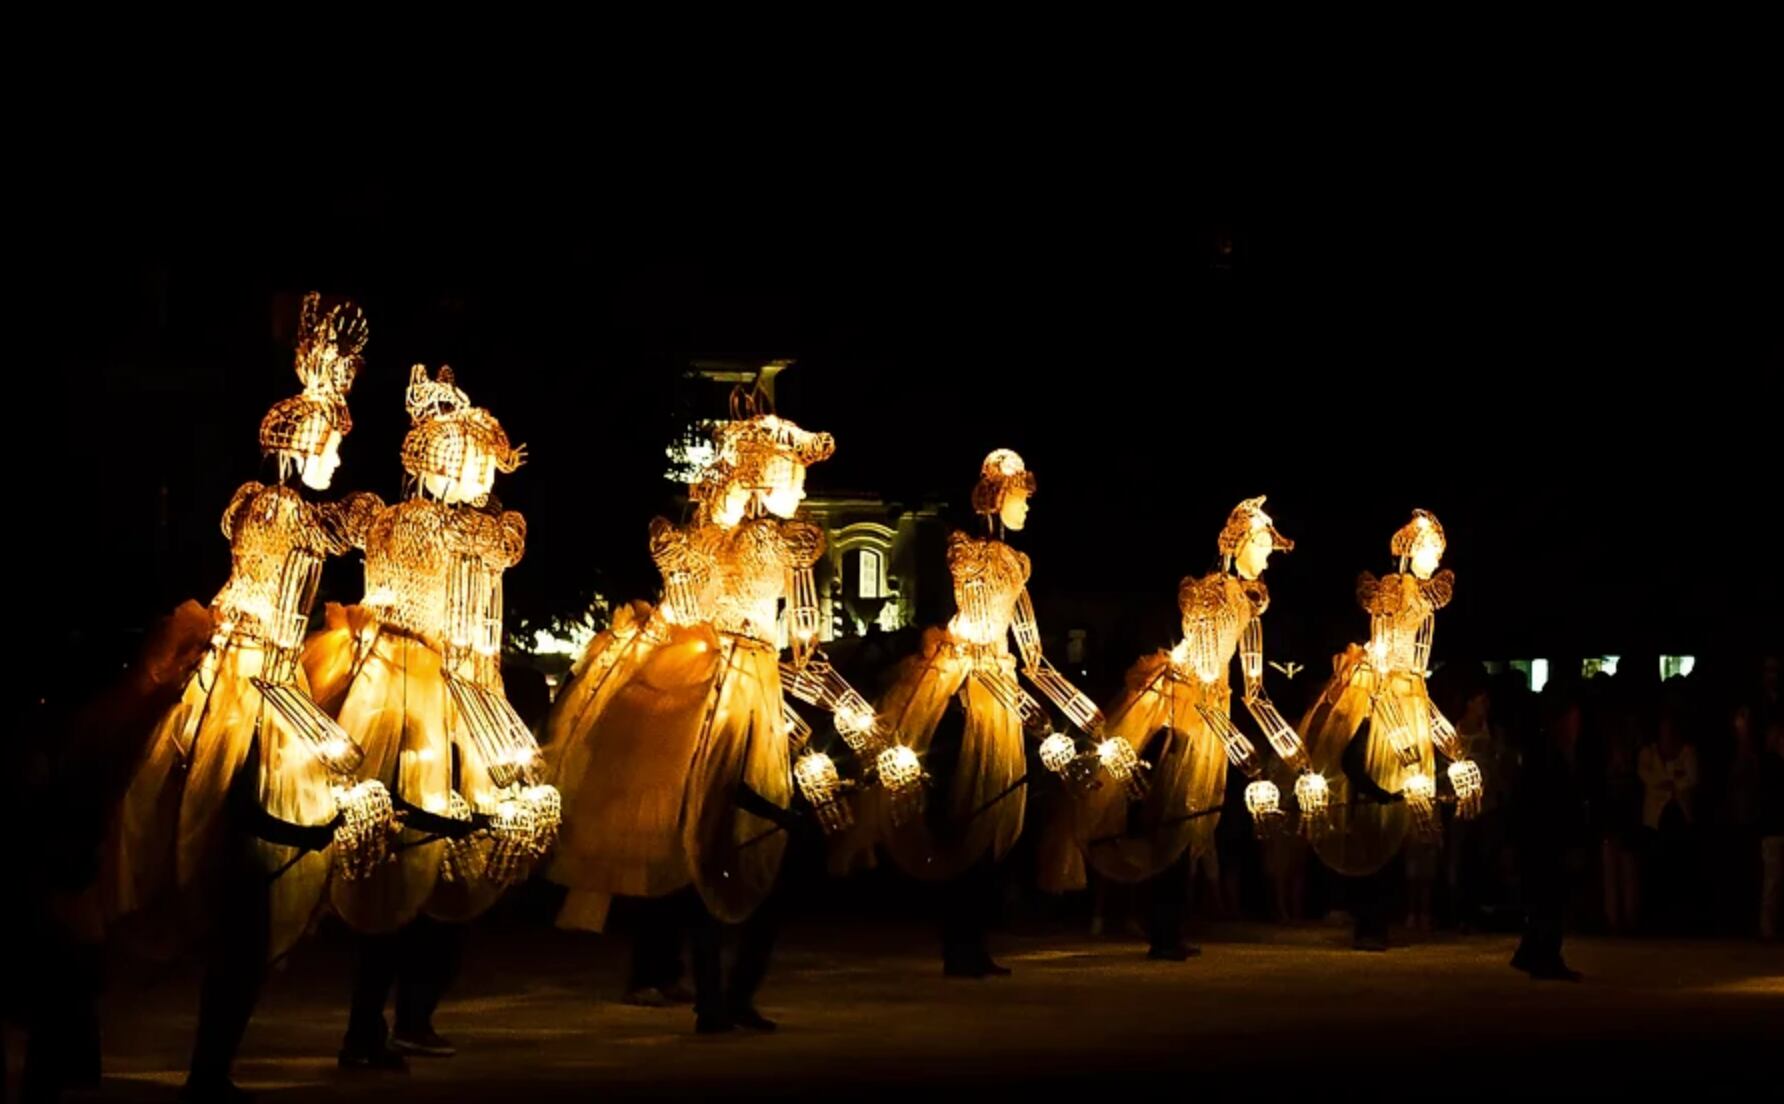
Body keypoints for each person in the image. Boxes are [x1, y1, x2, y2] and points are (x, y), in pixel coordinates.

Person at [1510, 688, 1589, 980]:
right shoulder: (1547, 755)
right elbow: (1543, 802)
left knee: (1548, 900)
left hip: (1545, 840)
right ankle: (1542, 955)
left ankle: (1537, 954)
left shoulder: (1553, 752)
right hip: (1545, 841)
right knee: (1548, 900)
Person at [1639, 712, 1699, 933]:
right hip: (1655, 826)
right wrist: (1673, 782)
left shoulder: (1687, 752)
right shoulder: (1649, 753)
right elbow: (1648, 777)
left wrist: (1666, 783)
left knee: (1679, 870)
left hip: (1681, 824)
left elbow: (1692, 780)